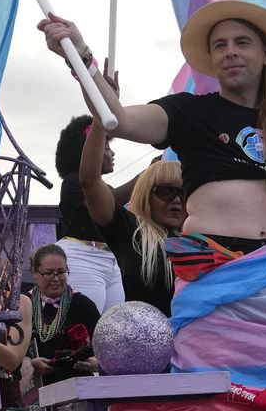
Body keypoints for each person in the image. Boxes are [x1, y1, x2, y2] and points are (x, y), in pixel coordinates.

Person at [39, 1, 266, 401]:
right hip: (213, 295)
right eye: (219, 45)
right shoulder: (190, 113)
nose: (230, 52)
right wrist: (79, 54)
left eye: (242, 42)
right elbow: (117, 116)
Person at [79, 119, 186, 314]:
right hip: (141, 342)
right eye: (166, 191)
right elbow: (90, 181)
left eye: (184, 192)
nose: (177, 200)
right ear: (147, 195)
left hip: (194, 341)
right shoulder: (130, 230)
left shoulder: (202, 239)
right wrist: (100, 115)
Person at [55, 115, 130, 313]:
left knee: (113, 328)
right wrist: (147, 175)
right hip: (81, 259)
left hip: (110, 260)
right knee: (87, 325)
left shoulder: (106, 188)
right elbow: (112, 201)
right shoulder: (73, 182)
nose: (112, 153)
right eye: (106, 147)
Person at [22, 244, 101, 393]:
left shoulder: (82, 304)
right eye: (49, 273)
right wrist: (31, 364)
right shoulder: (24, 304)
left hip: (78, 387)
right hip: (38, 391)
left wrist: (97, 363)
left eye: (61, 272)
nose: (56, 279)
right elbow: (12, 349)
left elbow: (105, 345)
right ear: (35, 273)